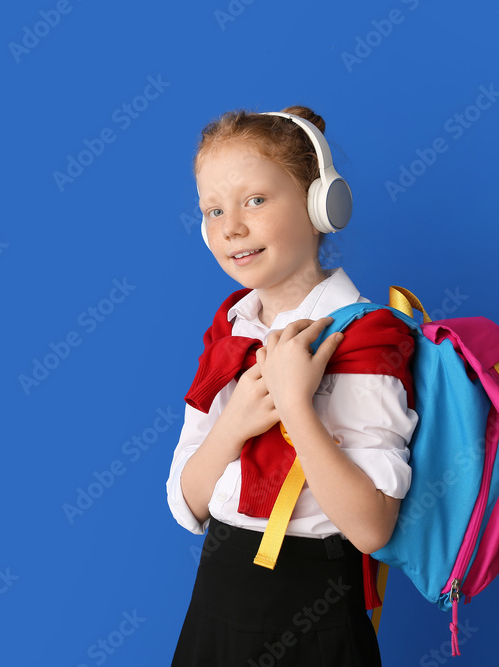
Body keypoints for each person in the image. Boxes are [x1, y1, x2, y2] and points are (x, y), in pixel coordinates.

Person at [166, 105, 419, 666]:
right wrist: (233, 426)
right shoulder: (231, 328)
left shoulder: (366, 336)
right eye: (213, 209)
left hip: (314, 611)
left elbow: (371, 529)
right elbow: (187, 504)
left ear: (318, 204)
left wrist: (295, 407)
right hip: (215, 597)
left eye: (255, 200)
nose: (230, 226)